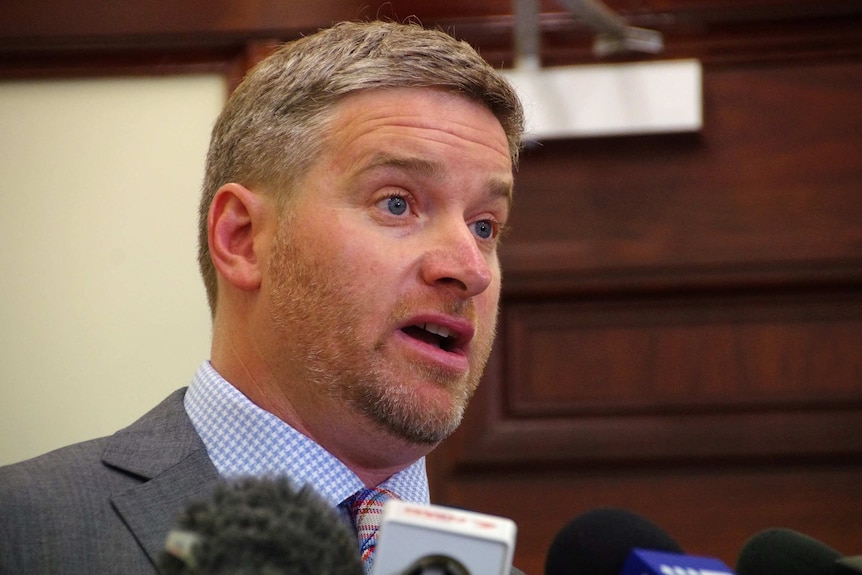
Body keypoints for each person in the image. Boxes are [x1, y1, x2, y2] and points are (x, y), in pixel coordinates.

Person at [0, 20, 525, 575]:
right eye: (397, 203)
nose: (470, 269)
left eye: (485, 226)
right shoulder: (24, 533)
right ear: (243, 239)